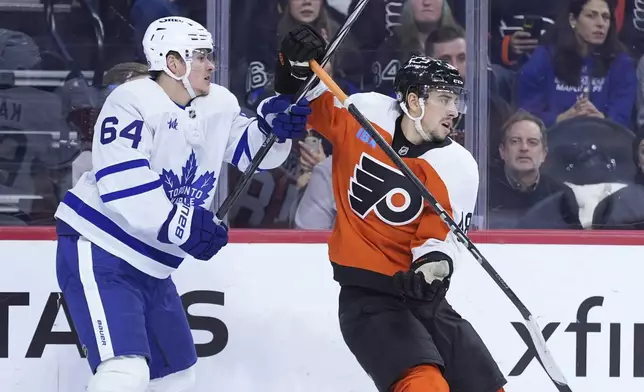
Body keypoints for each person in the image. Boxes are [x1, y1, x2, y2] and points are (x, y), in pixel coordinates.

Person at [53, 16, 311, 392]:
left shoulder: (217, 103)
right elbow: (122, 184)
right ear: (173, 63)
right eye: (201, 56)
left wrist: (273, 128)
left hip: (153, 265)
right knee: (126, 371)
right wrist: (184, 225)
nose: (212, 64)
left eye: (210, 55)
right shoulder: (130, 101)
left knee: (176, 377)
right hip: (101, 249)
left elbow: (251, 151)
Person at [274, 25, 506, 392]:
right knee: (424, 385)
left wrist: (434, 267)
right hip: (367, 299)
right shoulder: (363, 112)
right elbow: (306, 100)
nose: (454, 111)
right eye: (444, 99)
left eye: (456, 100)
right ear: (414, 100)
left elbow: (440, 238)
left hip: (422, 299)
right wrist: (295, 64)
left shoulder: (459, 166)